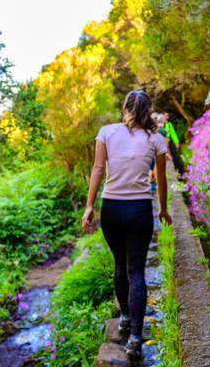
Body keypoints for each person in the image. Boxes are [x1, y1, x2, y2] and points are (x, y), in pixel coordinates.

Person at [81, 90, 172, 359]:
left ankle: (124, 316)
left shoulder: (107, 132)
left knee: (120, 265)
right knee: (137, 272)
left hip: (111, 209)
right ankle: (134, 337)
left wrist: (89, 206)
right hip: (140, 210)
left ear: (125, 107)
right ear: (148, 109)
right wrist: (164, 209)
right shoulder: (156, 138)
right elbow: (162, 180)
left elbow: (98, 169)